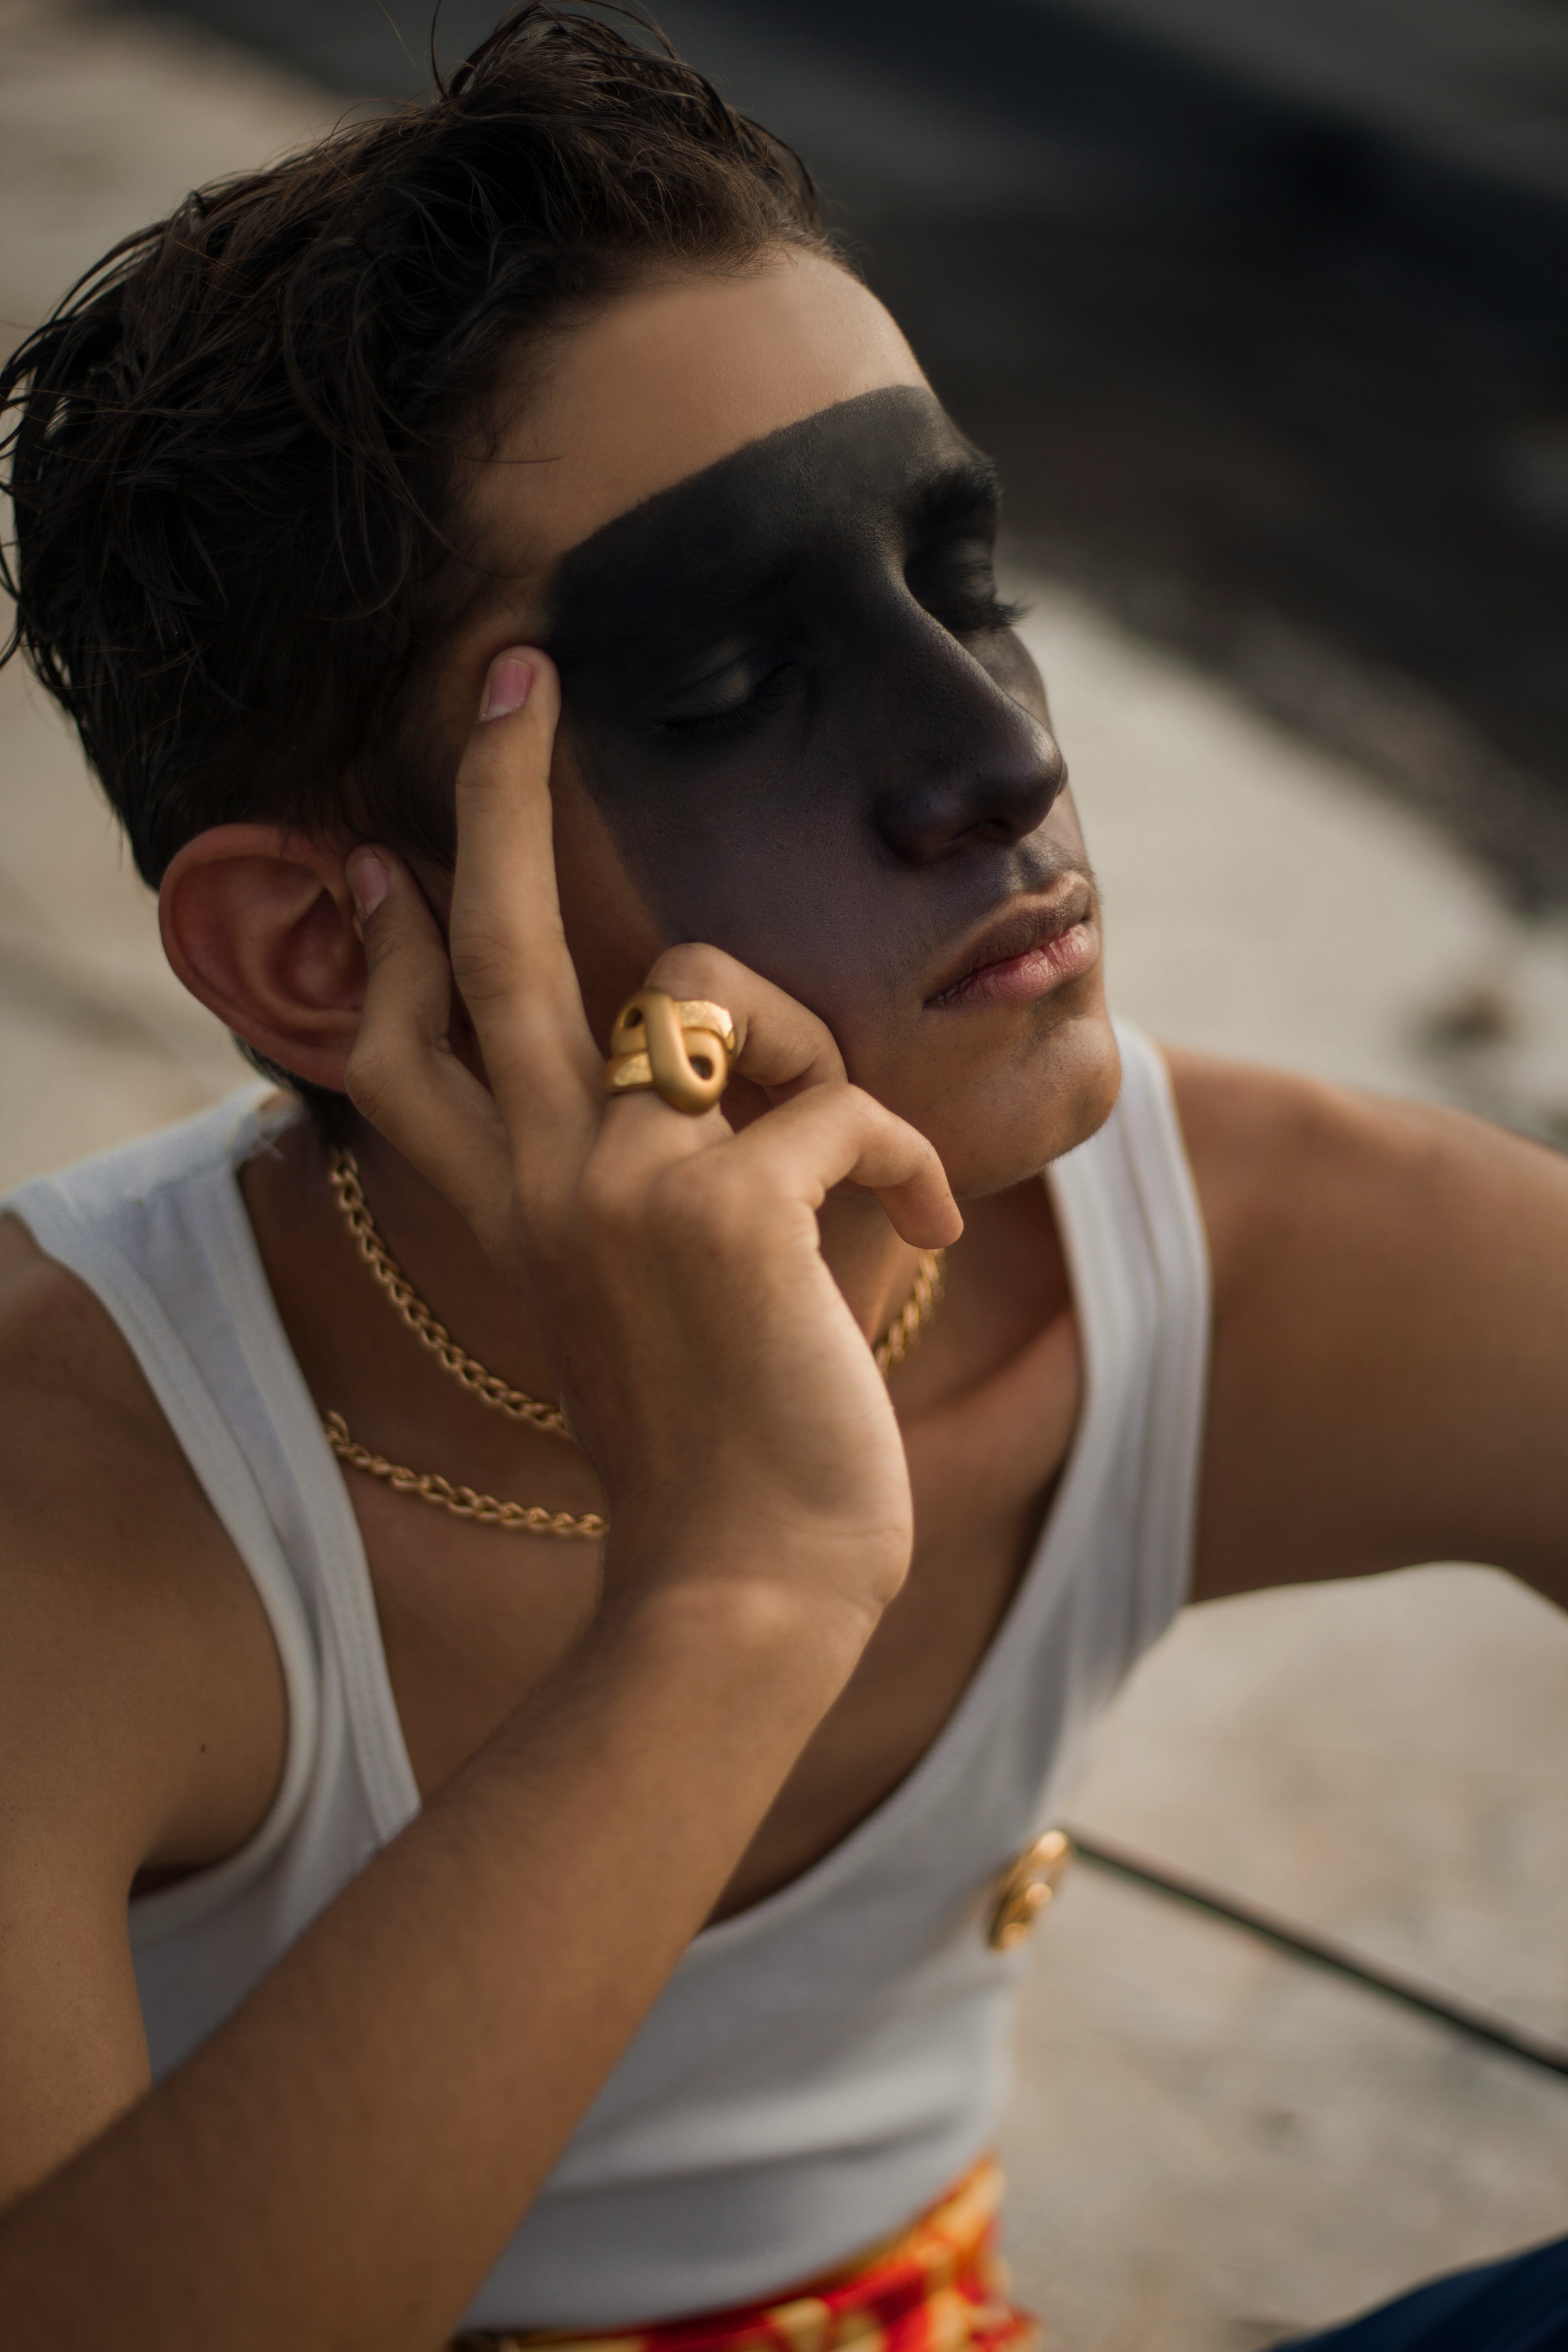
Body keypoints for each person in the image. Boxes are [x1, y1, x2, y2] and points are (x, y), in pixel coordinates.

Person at [0, 9, 1563, 2348]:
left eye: (966, 578)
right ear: (329, 948)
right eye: (733, 685)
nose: (997, 753)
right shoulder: (69, 1515)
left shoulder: (1255, 1253)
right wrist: (739, 1590)